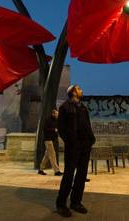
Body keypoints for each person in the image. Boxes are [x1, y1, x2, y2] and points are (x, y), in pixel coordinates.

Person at [56, 85, 96, 218]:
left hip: (85, 146)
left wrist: (91, 139)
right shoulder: (64, 107)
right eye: (79, 88)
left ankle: (76, 202)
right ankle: (61, 204)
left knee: (81, 175)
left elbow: (87, 124)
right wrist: (71, 141)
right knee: (68, 175)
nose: (82, 90)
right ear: (73, 92)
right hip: (73, 147)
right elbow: (61, 129)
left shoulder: (83, 108)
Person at [38, 109, 63, 176]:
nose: (58, 115)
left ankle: (40, 169)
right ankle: (56, 171)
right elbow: (45, 128)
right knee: (52, 155)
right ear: (53, 114)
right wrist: (54, 130)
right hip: (48, 139)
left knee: (46, 156)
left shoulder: (56, 120)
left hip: (52, 140)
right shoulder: (48, 120)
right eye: (57, 114)